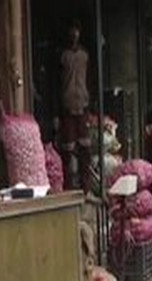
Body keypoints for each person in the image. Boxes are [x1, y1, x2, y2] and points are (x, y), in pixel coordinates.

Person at [59, 21, 91, 192]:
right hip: (67, 106)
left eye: (76, 32)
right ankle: (69, 186)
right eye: (72, 32)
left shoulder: (85, 55)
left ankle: (86, 186)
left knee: (85, 148)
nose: (74, 35)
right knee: (68, 149)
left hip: (83, 105)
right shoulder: (63, 56)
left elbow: (90, 79)